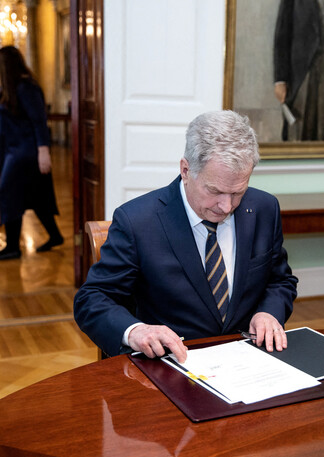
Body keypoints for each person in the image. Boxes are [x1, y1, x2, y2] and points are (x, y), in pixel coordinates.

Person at [74, 110, 298, 362]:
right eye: (215, 191)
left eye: (237, 192)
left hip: (247, 359)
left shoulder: (263, 208)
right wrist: (136, 331)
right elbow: (92, 300)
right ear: (185, 170)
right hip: (173, 364)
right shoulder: (138, 221)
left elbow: (280, 281)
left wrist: (269, 312)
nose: (226, 206)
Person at [0, 46, 63, 260]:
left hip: (24, 153)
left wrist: (44, 151)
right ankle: (54, 235)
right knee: (36, 196)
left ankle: (12, 247)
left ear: (6, 66)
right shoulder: (10, 88)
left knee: (8, 193)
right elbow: (7, 117)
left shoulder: (26, 87)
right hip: (14, 150)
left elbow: (38, 121)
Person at [273, 0, 324, 141]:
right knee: (299, 126)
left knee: (322, 126)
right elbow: (282, 35)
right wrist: (280, 79)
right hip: (301, 69)